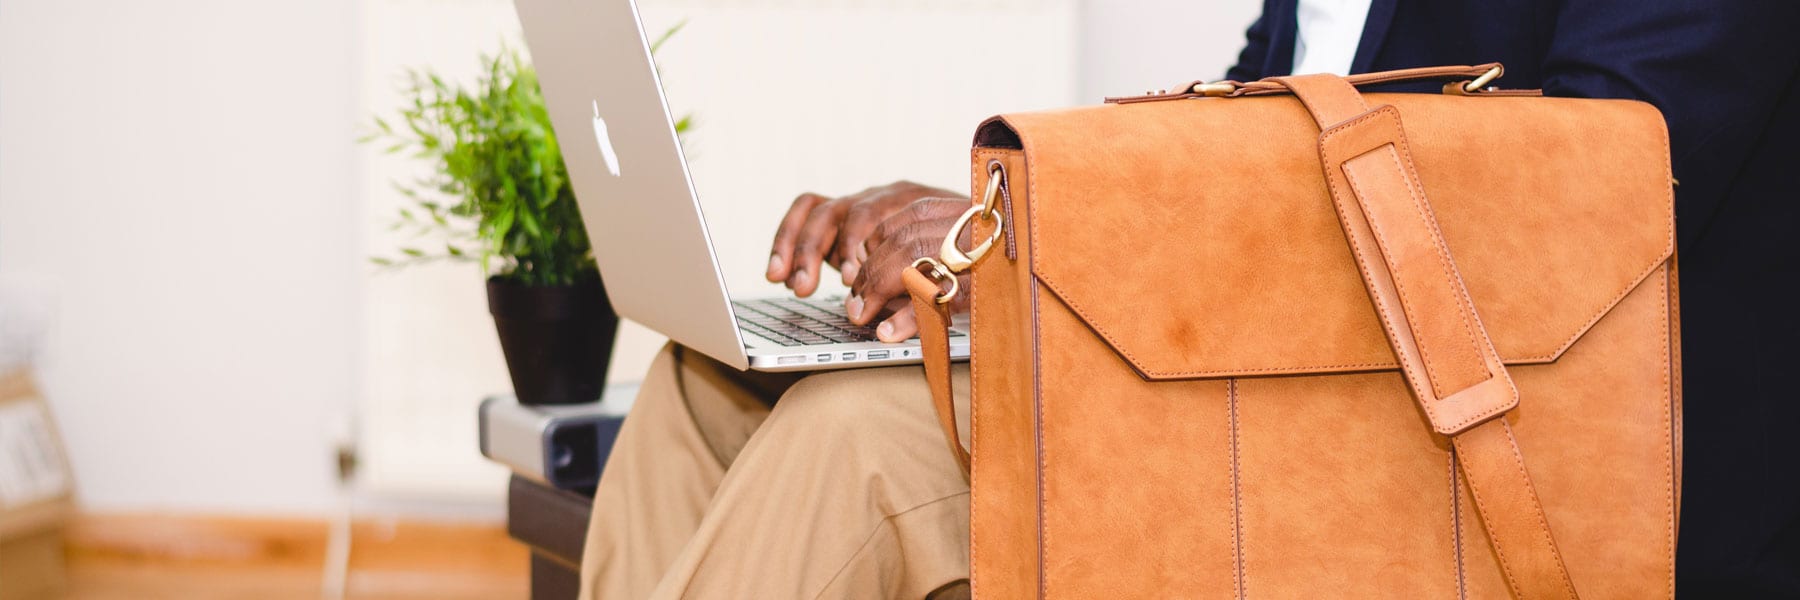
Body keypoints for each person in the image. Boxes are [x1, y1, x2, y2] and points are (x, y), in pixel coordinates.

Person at [579, 0, 1800, 597]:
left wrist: (1040, 244)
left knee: (860, 443)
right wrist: (993, 231)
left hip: (1485, 441)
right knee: (700, 386)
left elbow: (1569, 206)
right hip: (1271, 377)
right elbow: (1248, 118)